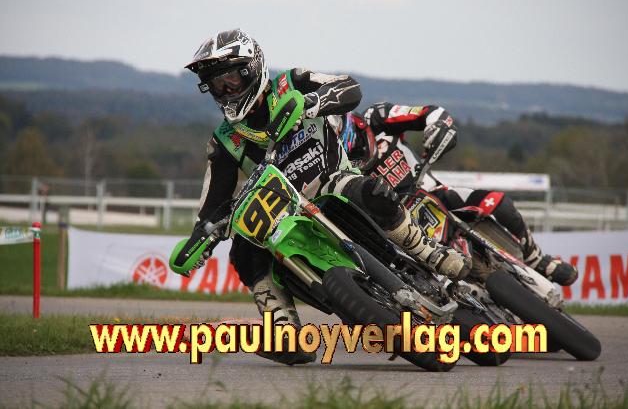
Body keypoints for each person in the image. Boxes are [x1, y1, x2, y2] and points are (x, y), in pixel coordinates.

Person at [171, 30, 470, 365]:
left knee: (369, 191)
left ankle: (426, 249)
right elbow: (213, 203)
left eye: (231, 80)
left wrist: (312, 103)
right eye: (216, 85)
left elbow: (349, 87)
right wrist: (200, 239)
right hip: (287, 215)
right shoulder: (224, 141)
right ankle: (282, 327)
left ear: (252, 70)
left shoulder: (292, 82)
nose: (226, 91)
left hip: (334, 182)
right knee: (243, 247)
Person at [336, 103, 578, 286]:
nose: (359, 158)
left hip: (434, 193)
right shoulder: (335, 163)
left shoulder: (377, 116)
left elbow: (429, 112)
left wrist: (437, 126)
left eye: (358, 150)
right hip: (397, 225)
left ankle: (536, 258)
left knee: (499, 203)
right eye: (352, 157)